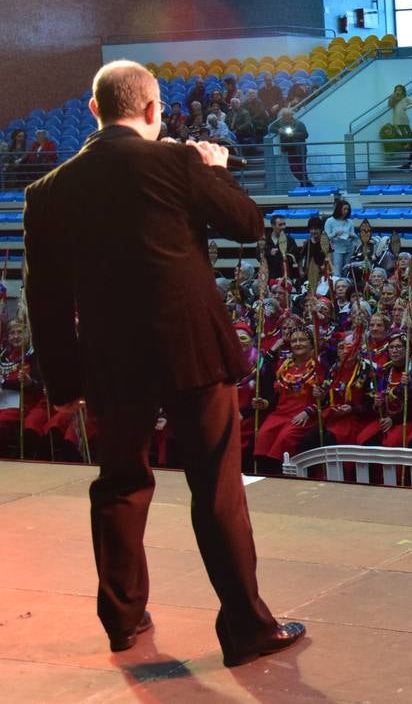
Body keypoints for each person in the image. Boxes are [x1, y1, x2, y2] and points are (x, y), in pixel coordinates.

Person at [22, 60, 303, 664]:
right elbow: (249, 225)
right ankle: (246, 630)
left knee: (120, 485)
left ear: (94, 110)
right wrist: (215, 169)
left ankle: (122, 621)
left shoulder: (46, 193)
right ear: (154, 111)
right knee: (217, 490)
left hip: (109, 363)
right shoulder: (177, 162)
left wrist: (65, 385)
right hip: (193, 352)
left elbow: (43, 301)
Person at [268, 107, 310, 188]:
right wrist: (278, 130)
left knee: (302, 168)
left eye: (288, 115)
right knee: (293, 168)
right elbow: (271, 127)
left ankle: (305, 185)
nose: (286, 117)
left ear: (291, 115)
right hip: (290, 149)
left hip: (299, 148)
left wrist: (293, 134)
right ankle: (306, 184)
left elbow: (305, 135)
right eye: (284, 115)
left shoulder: (299, 123)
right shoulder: (280, 123)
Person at [324, 199, 356, 279]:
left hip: (349, 248)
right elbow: (326, 237)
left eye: (348, 209)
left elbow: (353, 235)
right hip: (337, 249)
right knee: (337, 272)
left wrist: (351, 236)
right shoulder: (330, 221)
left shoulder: (350, 221)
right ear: (339, 209)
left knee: (346, 271)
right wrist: (335, 234)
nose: (346, 211)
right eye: (344, 209)